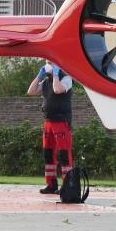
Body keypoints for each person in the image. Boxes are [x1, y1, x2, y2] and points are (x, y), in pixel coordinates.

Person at [27, 62, 73, 195]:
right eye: (47, 64)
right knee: (48, 154)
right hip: (48, 121)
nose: (48, 66)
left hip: (61, 121)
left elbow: (57, 90)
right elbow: (30, 91)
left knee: (64, 154)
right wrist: (38, 77)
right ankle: (51, 184)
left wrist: (57, 74)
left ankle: (67, 185)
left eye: (50, 63)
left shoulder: (67, 79)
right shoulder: (47, 81)